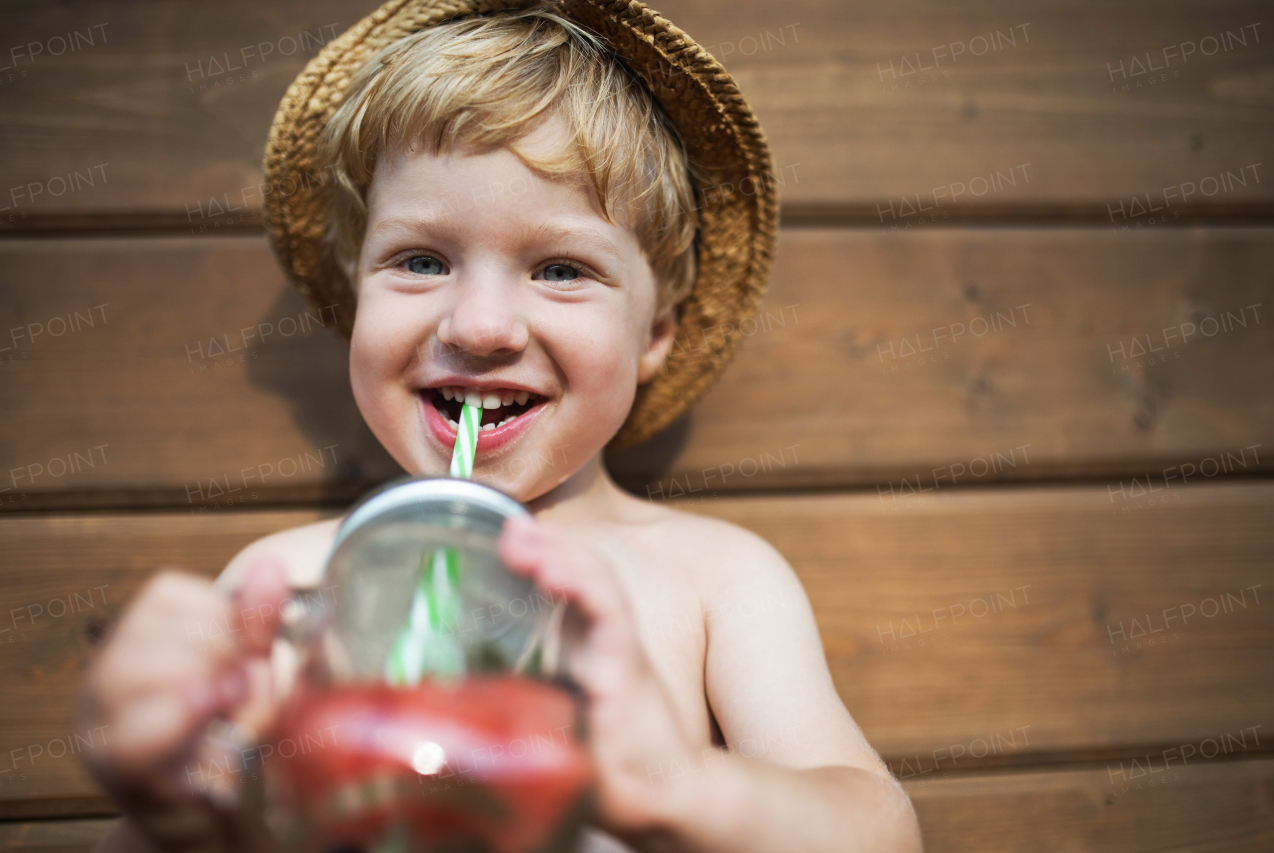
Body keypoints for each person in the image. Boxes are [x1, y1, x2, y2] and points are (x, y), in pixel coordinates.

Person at [78, 2, 922, 851]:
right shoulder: (283, 587)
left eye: (561, 269)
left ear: (655, 332)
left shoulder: (716, 580)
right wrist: (184, 808)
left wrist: (682, 786)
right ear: (356, 298)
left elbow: (879, 829)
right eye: (420, 260)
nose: (480, 327)